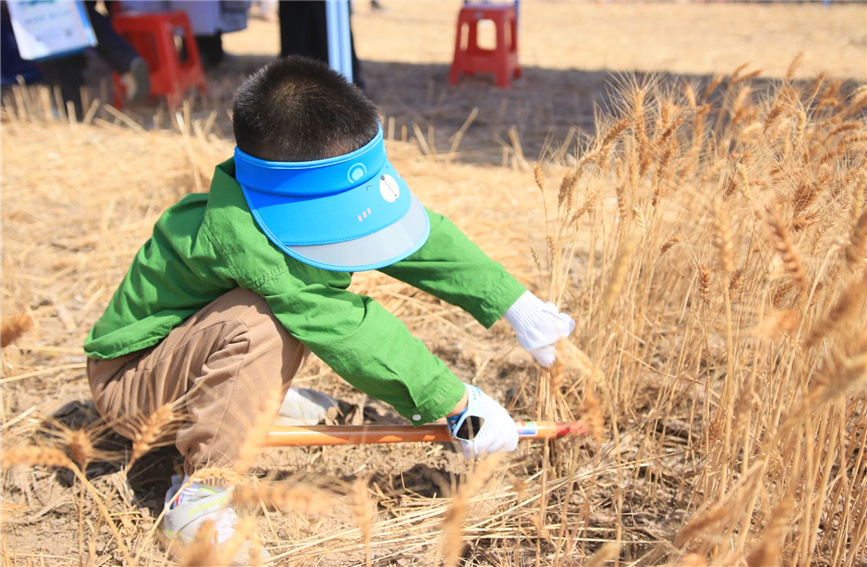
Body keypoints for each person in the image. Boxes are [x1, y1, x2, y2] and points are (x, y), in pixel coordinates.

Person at [83, 56, 574, 562]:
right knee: (262, 324)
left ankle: (248, 396)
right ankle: (199, 498)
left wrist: (515, 303)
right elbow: (342, 326)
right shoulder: (248, 238)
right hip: (134, 384)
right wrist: (456, 404)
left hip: (183, 356)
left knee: (266, 319)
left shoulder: (281, 194)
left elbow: (416, 237)